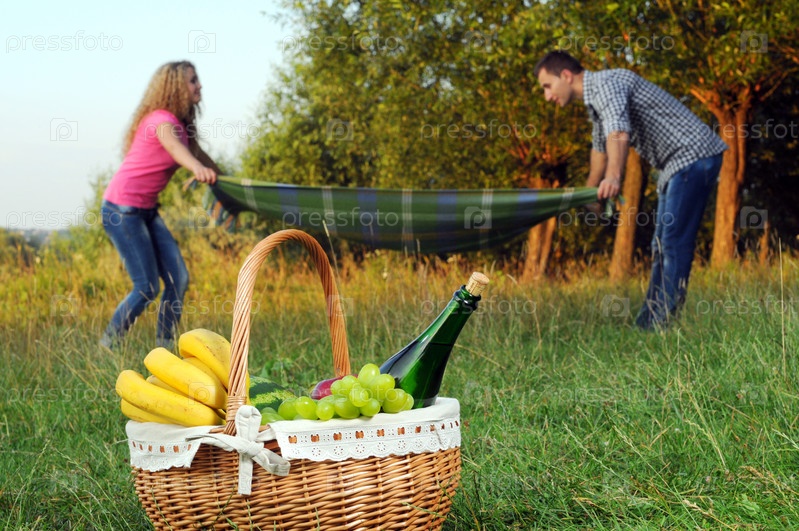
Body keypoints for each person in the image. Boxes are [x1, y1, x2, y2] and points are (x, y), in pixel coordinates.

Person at [534, 51, 727, 330]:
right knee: (660, 245)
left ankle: (662, 324)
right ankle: (648, 322)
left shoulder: (606, 84)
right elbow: (600, 148)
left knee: (672, 243)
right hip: (675, 165)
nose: (547, 96)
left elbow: (618, 132)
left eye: (547, 86)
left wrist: (614, 178)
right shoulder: (595, 100)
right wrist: (589, 193)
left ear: (566, 76)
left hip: (692, 155)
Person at [100, 60, 221, 349]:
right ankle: (108, 345)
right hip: (121, 210)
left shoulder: (182, 126)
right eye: (193, 80)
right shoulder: (160, 121)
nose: (199, 85)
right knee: (146, 287)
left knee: (178, 279)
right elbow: (175, 149)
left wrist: (226, 182)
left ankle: (164, 347)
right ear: (176, 87)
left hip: (146, 211)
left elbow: (202, 157)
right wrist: (196, 168)